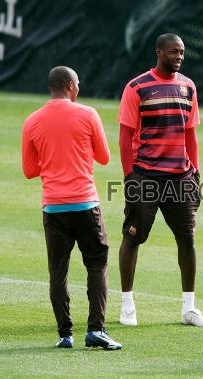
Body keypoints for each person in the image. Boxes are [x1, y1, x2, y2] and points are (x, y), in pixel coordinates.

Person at [21, 66, 122, 350]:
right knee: (97, 264)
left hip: (53, 208)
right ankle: (96, 330)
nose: (79, 87)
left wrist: (53, 159)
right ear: (69, 85)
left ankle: (65, 334)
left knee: (58, 272)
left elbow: (29, 170)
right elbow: (103, 157)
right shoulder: (88, 114)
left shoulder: (32, 121)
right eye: (77, 83)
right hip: (85, 204)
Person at [117, 33, 203, 328]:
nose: (179, 57)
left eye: (182, 52)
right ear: (159, 52)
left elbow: (190, 133)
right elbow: (125, 135)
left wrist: (195, 172)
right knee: (133, 238)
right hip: (145, 175)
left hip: (180, 177)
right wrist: (129, 175)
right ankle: (127, 305)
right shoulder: (137, 87)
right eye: (173, 52)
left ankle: (189, 309)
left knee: (188, 240)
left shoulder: (188, 87)